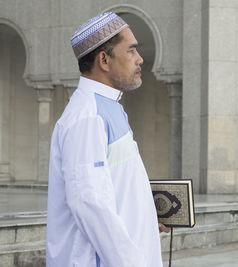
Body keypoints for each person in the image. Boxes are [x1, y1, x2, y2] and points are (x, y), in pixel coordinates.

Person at [46, 12, 168, 267]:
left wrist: (145, 218)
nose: (140, 59)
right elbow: (90, 205)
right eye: (131, 51)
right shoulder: (87, 117)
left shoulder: (108, 108)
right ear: (104, 59)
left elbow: (114, 190)